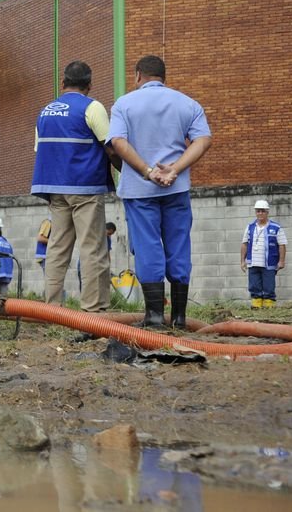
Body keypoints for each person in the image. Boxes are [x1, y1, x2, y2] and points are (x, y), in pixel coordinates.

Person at [108, 55, 212, 329]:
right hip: (176, 189)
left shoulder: (123, 104)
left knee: (148, 247)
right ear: (163, 77)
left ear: (138, 75)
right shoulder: (188, 104)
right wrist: (175, 169)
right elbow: (203, 139)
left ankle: (154, 316)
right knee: (179, 245)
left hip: (140, 190)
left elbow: (117, 141)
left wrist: (147, 171)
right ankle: (178, 317)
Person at [31, 60, 118, 313]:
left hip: (54, 189)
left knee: (57, 248)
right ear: (89, 85)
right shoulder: (92, 107)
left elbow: (41, 150)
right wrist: (126, 171)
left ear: (63, 83)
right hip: (85, 187)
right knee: (92, 249)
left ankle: (52, 308)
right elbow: (110, 146)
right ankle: (93, 309)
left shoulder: (45, 111)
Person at [241, 199, 287, 309]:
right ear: (255, 212)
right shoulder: (250, 227)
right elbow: (244, 244)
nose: (260, 213)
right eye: (258, 211)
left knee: (269, 287)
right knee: (254, 286)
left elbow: (282, 245)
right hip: (253, 263)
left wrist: (281, 261)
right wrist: (242, 261)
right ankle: (256, 309)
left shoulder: (276, 228)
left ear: (267, 212)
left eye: (262, 211)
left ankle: (269, 309)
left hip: (269, 264)